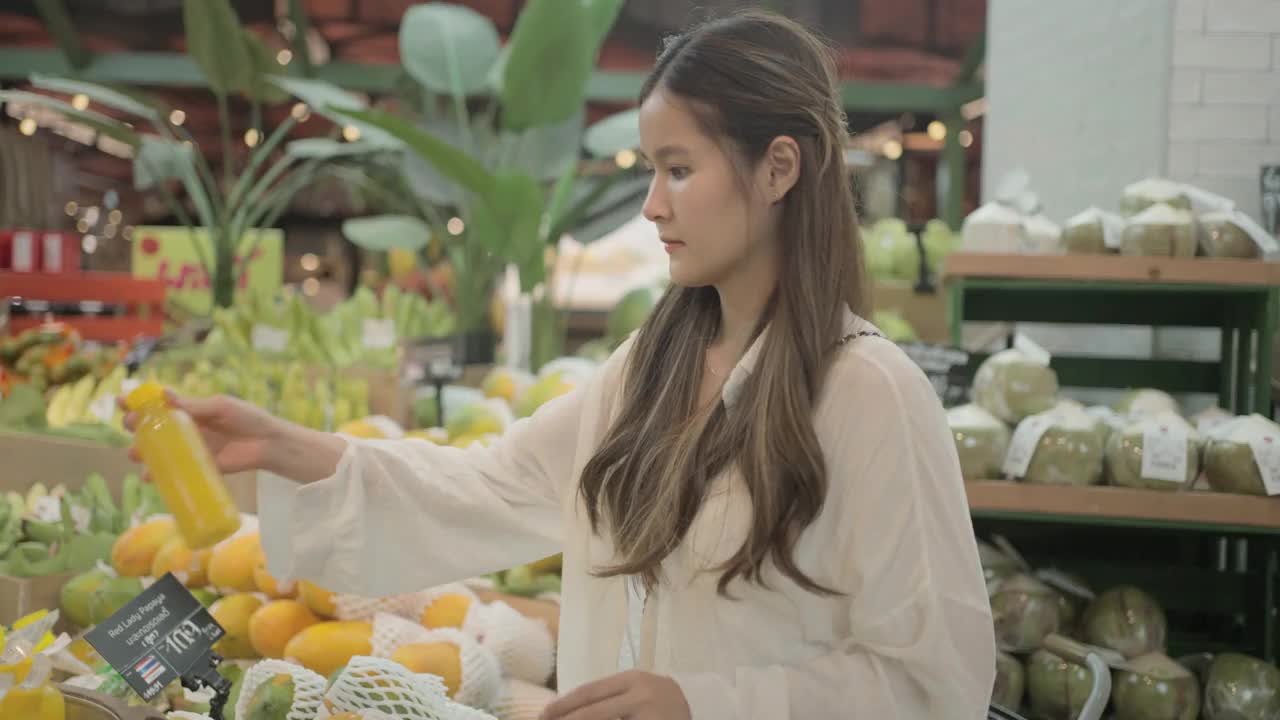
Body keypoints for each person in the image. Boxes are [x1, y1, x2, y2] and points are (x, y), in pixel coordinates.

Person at [124, 10, 995, 720]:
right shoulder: (647, 369)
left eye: (679, 170)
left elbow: (933, 681)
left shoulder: (868, 394)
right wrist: (285, 445)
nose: (653, 206)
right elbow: (490, 487)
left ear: (778, 168)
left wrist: (707, 704)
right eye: (652, 170)